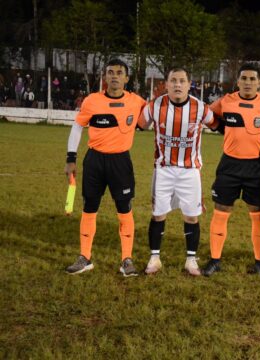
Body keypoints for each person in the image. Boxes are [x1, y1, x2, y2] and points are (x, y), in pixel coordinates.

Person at [64, 59, 146, 277]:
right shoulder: (92, 101)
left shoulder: (137, 101)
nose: (115, 76)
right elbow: (77, 127)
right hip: (94, 161)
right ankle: (85, 257)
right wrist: (71, 158)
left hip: (120, 162)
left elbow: (153, 117)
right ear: (104, 76)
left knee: (124, 209)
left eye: (119, 73)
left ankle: (126, 260)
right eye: (110, 72)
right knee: (89, 207)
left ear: (127, 78)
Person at [202, 63, 260, 279]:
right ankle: (215, 260)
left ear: (259, 83)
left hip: (257, 165)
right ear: (237, 81)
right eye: (244, 78)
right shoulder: (226, 101)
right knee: (221, 211)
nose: (248, 82)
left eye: (252, 79)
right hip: (229, 165)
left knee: (258, 214)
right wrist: (221, 129)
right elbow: (209, 116)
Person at [139, 67, 217, 276]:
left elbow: (218, 123)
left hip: (189, 171)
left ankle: (191, 260)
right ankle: (154, 258)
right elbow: (140, 124)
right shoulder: (155, 106)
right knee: (158, 215)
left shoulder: (200, 108)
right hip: (163, 169)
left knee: (191, 217)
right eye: (173, 80)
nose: (177, 85)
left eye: (182, 80)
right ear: (166, 84)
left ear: (189, 84)